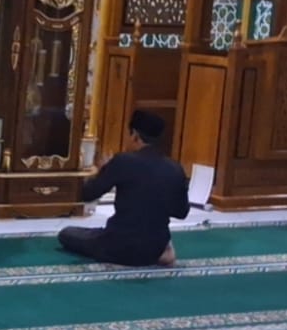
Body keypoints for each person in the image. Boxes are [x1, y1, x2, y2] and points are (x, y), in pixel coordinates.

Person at [59, 110, 189, 268]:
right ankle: (165, 250)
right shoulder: (175, 168)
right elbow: (181, 212)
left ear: (135, 135)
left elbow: (87, 194)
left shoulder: (123, 161)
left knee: (66, 233)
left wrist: (104, 170)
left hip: (117, 246)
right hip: (154, 249)